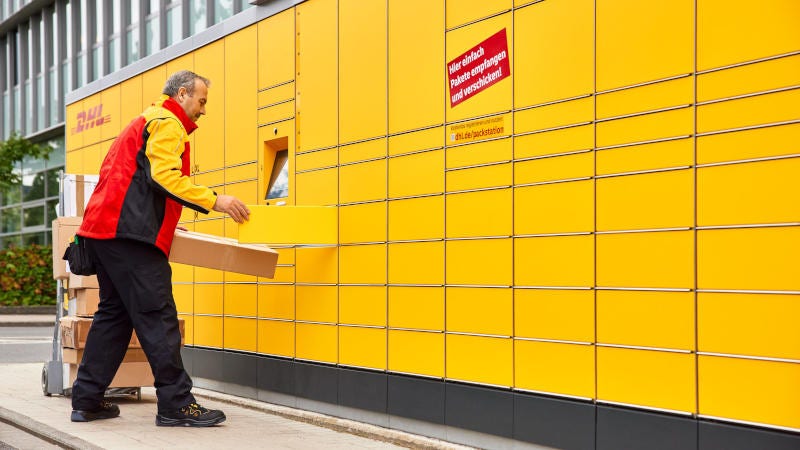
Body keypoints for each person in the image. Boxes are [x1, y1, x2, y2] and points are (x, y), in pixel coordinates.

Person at [69, 70, 250, 427]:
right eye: (201, 101)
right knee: (158, 316)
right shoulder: (168, 122)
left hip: (105, 233)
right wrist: (217, 200)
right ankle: (176, 404)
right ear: (182, 94)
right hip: (129, 238)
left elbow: (133, 181)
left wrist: (161, 220)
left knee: (114, 317)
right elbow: (163, 176)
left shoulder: (144, 120)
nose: (203, 110)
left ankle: (87, 401)